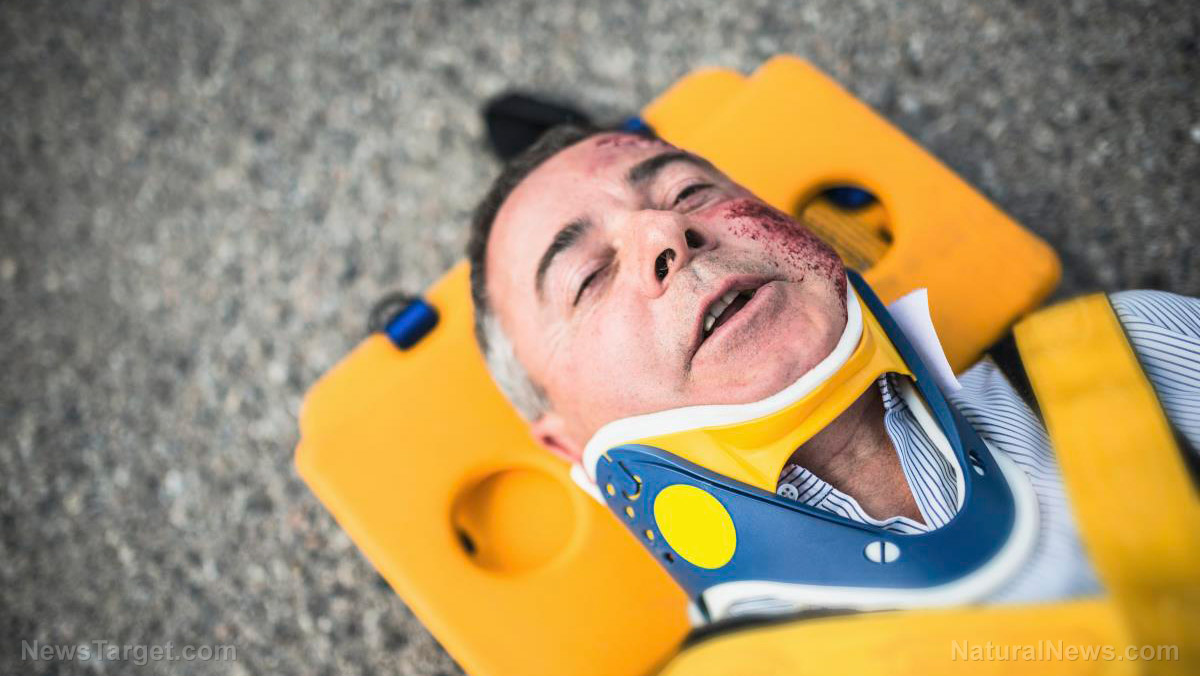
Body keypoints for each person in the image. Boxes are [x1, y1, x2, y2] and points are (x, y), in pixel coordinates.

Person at [466, 124, 1200, 604]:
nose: (668, 229)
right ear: (567, 447)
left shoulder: (1132, 351)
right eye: (588, 275)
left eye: (690, 191)